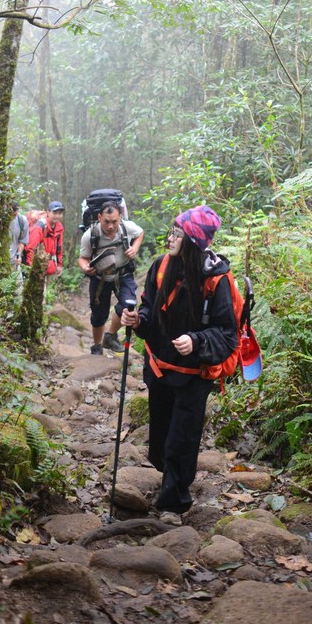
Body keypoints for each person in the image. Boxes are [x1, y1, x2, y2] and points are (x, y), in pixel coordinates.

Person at [122, 205, 235, 525]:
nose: (170, 238)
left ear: (194, 241)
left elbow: (226, 334)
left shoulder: (216, 280)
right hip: (160, 368)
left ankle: (173, 503)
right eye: (171, 231)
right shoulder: (161, 267)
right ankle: (167, 473)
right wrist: (136, 320)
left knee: (182, 439)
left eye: (177, 233)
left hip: (194, 374)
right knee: (159, 441)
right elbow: (149, 312)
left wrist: (196, 342)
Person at [79, 202, 143, 355]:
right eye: (106, 221)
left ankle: (110, 336)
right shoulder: (90, 235)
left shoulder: (127, 227)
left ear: (119, 218)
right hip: (100, 277)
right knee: (99, 315)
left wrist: (134, 248)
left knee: (128, 305)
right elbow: (82, 258)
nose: (110, 226)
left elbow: (140, 233)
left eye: (114, 221)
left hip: (123, 274)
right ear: (100, 217)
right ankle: (96, 345)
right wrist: (86, 268)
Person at [25, 201, 65, 275]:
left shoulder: (59, 227)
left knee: (44, 286)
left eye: (60, 213)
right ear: (48, 212)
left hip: (47, 265)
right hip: (36, 266)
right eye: (55, 213)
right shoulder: (40, 226)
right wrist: (32, 269)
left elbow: (59, 248)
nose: (57, 216)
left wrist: (59, 265)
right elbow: (31, 249)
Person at [8, 202, 28, 271]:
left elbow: (22, 241)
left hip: (14, 262)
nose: (13, 217)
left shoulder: (22, 220)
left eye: (15, 214)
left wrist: (19, 255)